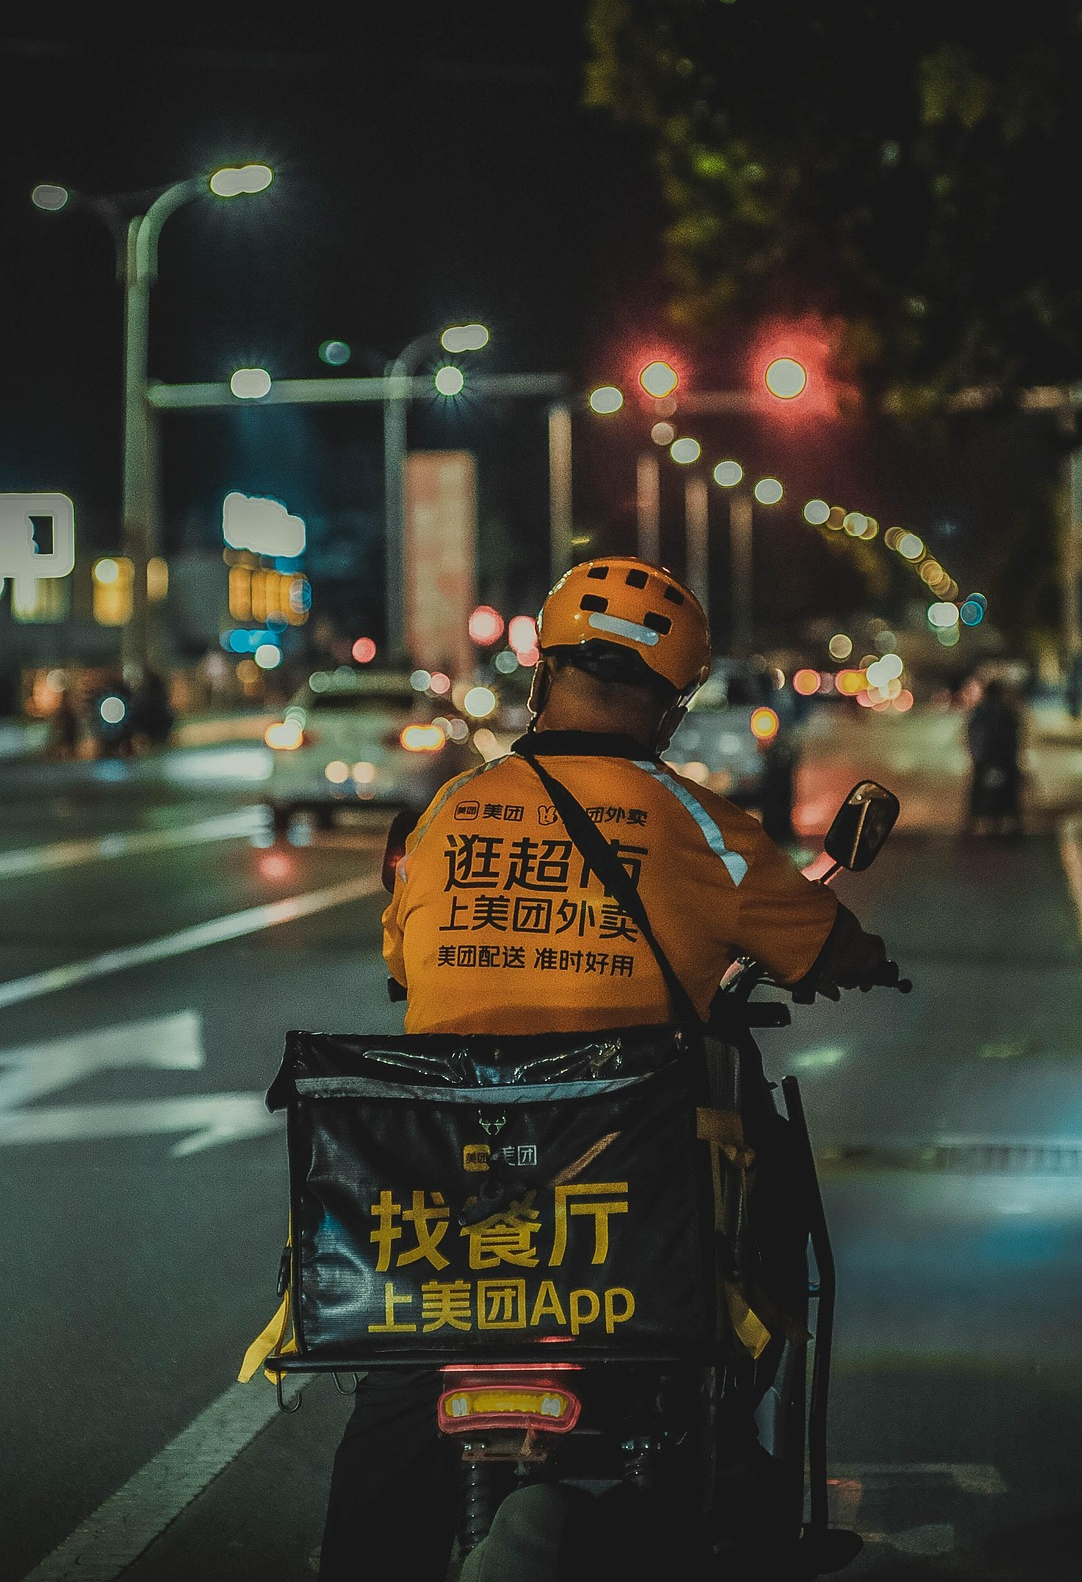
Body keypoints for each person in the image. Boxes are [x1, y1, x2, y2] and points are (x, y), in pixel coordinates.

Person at [318, 558, 889, 1582]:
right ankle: (733, 1504)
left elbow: (403, 963)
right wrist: (860, 963)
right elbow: (823, 947)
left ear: (541, 675)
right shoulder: (698, 826)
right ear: (669, 706)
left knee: (403, 1371)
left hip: (448, 1184)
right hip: (631, 1189)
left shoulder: (453, 810)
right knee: (758, 1250)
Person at [965, 676, 1023, 835]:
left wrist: (976, 756)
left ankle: (978, 822)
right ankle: (1007, 822)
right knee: (1007, 793)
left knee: (981, 792)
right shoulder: (1006, 712)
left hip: (986, 759)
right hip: (1003, 759)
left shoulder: (980, 712)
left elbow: (973, 736)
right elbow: (1014, 737)